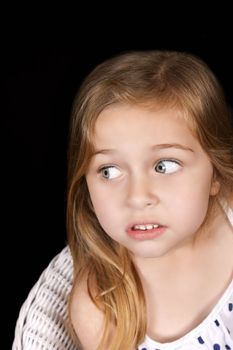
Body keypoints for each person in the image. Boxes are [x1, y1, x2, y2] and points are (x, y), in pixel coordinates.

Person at [13, 50, 233, 350]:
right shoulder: (101, 305)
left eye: (164, 166)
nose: (137, 197)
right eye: (109, 171)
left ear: (216, 175)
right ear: (86, 190)